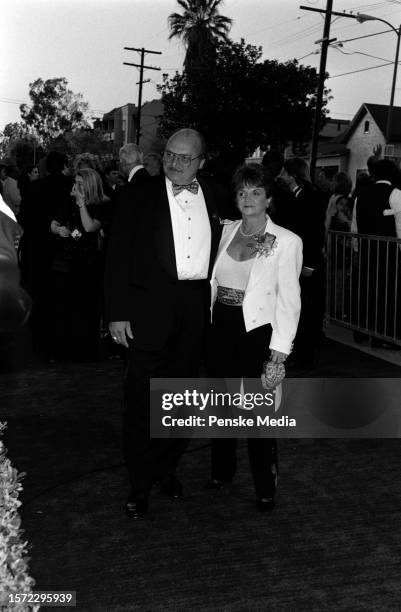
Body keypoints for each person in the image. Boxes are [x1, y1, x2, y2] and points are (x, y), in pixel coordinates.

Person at [105, 128, 230, 520]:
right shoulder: (138, 194)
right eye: (170, 155)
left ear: (202, 162)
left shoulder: (217, 194)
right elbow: (116, 256)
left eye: (185, 158)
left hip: (195, 309)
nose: (175, 163)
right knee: (142, 403)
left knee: (182, 399)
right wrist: (116, 313)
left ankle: (166, 469)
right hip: (147, 310)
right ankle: (140, 485)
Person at [206, 163, 302, 512]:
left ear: (269, 198)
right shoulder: (226, 231)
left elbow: (290, 302)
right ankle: (222, 471)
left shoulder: (287, 242)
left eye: (255, 192)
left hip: (258, 331)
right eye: (242, 192)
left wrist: (279, 353)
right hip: (222, 327)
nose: (248, 198)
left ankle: (265, 486)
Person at [48, 168, 106, 361]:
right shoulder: (67, 202)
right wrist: (58, 230)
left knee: (85, 308)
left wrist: (82, 204)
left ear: (89, 185)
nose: (77, 186)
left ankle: (84, 351)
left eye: (81, 183)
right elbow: (53, 223)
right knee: (64, 307)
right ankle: (63, 349)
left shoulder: (100, 204)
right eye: (76, 182)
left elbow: (89, 227)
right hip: (65, 261)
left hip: (87, 264)